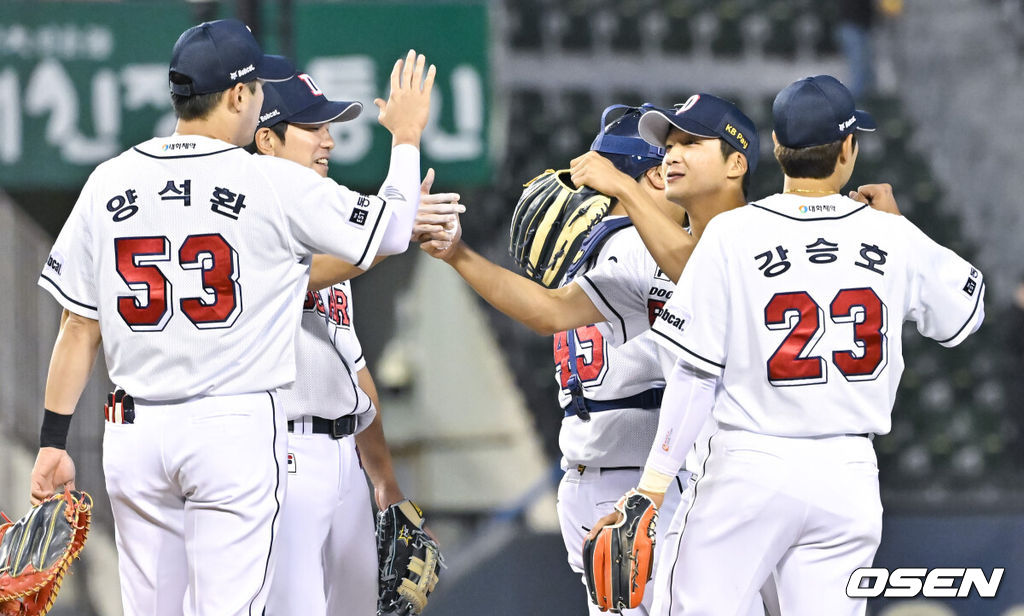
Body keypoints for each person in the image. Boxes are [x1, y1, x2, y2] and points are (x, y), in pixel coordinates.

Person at [29, 19, 434, 616]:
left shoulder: (107, 181)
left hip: (135, 433)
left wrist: (53, 442)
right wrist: (404, 137)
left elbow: (77, 327)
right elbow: (392, 230)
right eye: (259, 91)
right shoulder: (264, 180)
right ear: (240, 95)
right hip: (230, 427)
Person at [589, 75, 986, 615]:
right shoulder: (893, 235)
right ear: (849, 149)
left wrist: (651, 488)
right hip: (848, 477)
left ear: (776, 148)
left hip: (749, 467)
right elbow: (965, 313)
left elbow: (695, 376)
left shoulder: (732, 234)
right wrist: (898, 229)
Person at [418, 99, 753, 615]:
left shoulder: (602, 249)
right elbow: (706, 275)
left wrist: (459, 254)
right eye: (666, 158)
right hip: (638, 480)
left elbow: (549, 312)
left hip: (596, 477)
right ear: (654, 178)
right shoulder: (637, 246)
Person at [247, 72, 457, 616]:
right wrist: (394, 229)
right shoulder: (246, 212)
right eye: (312, 127)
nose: (328, 140)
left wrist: (385, 482)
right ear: (265, 138)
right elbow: (300, 271)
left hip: (342, 459)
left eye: (328, 126)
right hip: (280, 454)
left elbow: (354, 371)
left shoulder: (328, 223)